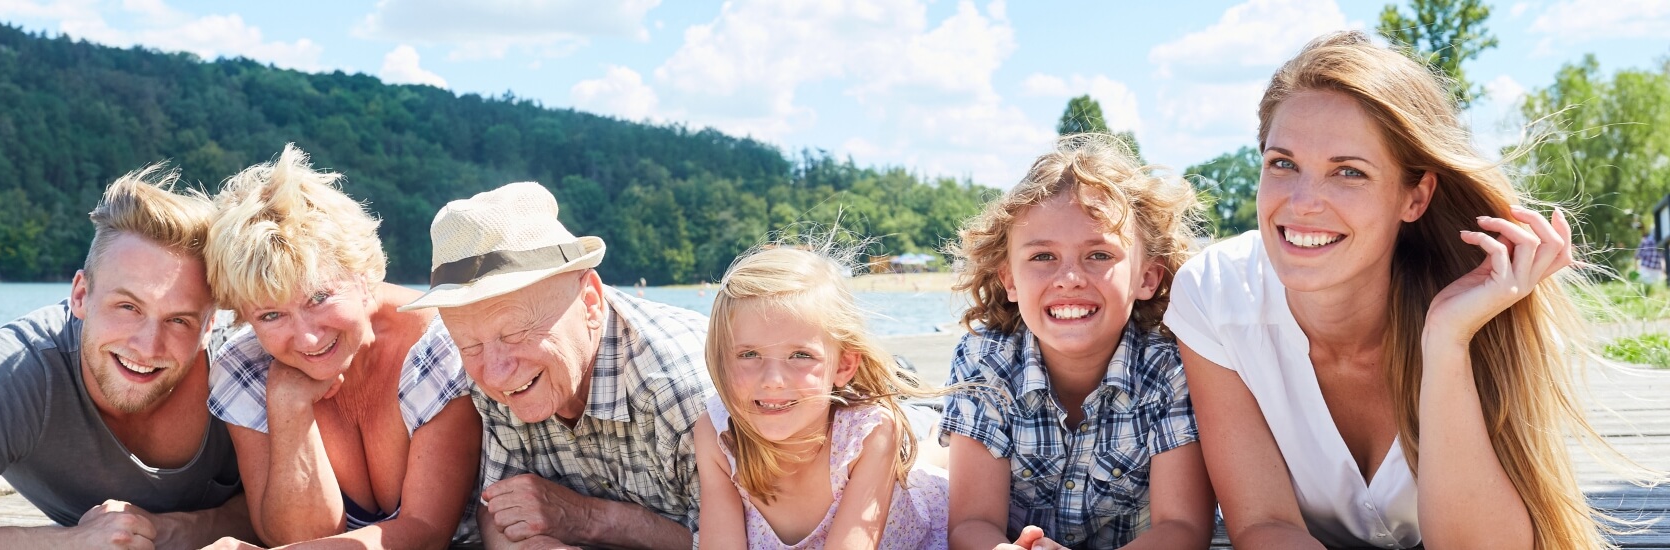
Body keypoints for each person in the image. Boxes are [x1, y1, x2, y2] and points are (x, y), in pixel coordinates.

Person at [1165, 31, 1654, 549]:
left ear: (1415, 197)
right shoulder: (1216, 295)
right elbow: (1264, 524)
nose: (1303, 202)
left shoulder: (1485, 302)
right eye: (1282, 163)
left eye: (1348, 172)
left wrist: (1446, 339)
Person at [0, 165, 254, 549]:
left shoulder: (241, 368)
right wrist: (64, 544)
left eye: (178, 320)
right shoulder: (18, 371)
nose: (147, 346)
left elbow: (290, 520)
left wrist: (170, 531)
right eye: (127, 307)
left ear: (210, 324)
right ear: (81, 295)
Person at [399, 181, 709, 550]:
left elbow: (751, 541)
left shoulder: (682, 390)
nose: (495, 374)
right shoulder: (494, 377)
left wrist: (589, 519)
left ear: (590, 301)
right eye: (470, 345)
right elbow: (498, 511)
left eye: (515, 333)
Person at [939, 134, 1214, 550]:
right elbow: (971, 523)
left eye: (1099, 255)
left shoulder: (1171, 369)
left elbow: (1182, 528)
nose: (1069, 278)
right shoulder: (984, 361)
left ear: (1147, 277)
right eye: (1042, 257)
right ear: (1010, 279)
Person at [199, 145, 480, 549]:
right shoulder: (246, 367)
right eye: (270, 316)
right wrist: (288, 408)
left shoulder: (437, 345)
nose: (309, 338)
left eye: (318, 298)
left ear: (363, 276)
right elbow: (294, 537)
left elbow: (426, 532)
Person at [695, 244, 951, 550]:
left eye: (800, 355)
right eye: (749, 354)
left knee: (927, 461)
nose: (773, 381)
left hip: (918, 509)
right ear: (722, 359)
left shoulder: (870, 433)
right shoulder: (718, 435)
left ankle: (941, 439)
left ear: (843, 366)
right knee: (918, 454)